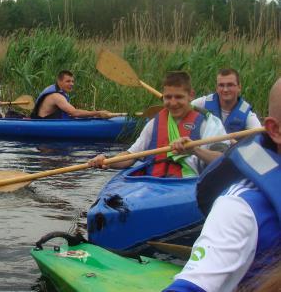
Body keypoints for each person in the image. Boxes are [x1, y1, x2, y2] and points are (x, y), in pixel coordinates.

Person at [164, 77, 281, 292]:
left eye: (230, 85)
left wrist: (197, 149)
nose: (225, 90)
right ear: (274, 130)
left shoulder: (246, 119)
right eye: (168, 97)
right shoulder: (240, 208)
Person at [88, 71, 227, 177]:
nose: (172, 103)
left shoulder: (209, 123)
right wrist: (106, 161)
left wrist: (195, 149)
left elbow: (224, 161)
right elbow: (130, 156)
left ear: (191, 95)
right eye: (168, 97)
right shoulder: (154, 124)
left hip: (189, 185)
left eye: (178, 97)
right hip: (153, 185)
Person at [192, 68, 262, 132]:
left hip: (233, 145)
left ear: (239, 87)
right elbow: (184, 108)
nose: (225, 90)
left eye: (230, 85)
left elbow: (259, 137)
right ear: (216, 88)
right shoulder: (203, 103)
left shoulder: (248, 115)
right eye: (221, 85)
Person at [30, 70, 113, 119]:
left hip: (49, 122)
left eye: (72, 81)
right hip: (45, 124)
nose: (72, 84)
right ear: (59, 81)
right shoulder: (56, 96)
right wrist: (97, 113)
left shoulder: (55, 89)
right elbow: (74, 112)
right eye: (68, 81)